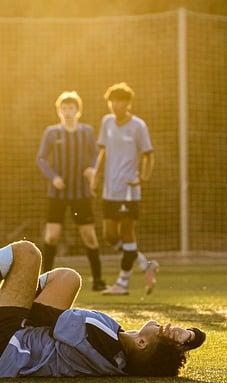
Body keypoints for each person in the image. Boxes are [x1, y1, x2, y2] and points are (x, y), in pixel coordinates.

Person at [0, 241, 205, 378]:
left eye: (162, 331)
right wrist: (189, 335)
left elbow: (41, 314)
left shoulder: (103, 338)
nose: (164, 325)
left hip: (1, 348)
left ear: (142, 342)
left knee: (27, 254)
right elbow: (189, 340)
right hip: (19, 344)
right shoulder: (119, 354)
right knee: (69, 278)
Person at [91, 82, 159, 296]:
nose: (115, 105)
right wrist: (95, 175)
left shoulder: (138, 125)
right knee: (110, 236)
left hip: (129, 190)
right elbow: (102, 152)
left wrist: (144, 177)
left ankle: (122, 283)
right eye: (112, 101)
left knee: (127, 233)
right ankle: (144, 263)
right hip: (110, 190)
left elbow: (149, 154)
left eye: (120, 101)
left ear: (128, 103)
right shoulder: (107, 122)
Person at [36, 91, 106, 292]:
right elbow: (40, 158)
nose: (67, 112)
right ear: (59, 111)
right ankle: (42, 283)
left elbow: (95, 155)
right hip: (57, 195)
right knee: (51, 237)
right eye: (64, 108)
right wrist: (53, 177)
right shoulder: (51, 132)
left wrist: (92, 169)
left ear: (78, 111)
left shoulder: (86, 132)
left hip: (80, 194)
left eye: (71, 108)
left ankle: (98, 280)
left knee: (89, 236)